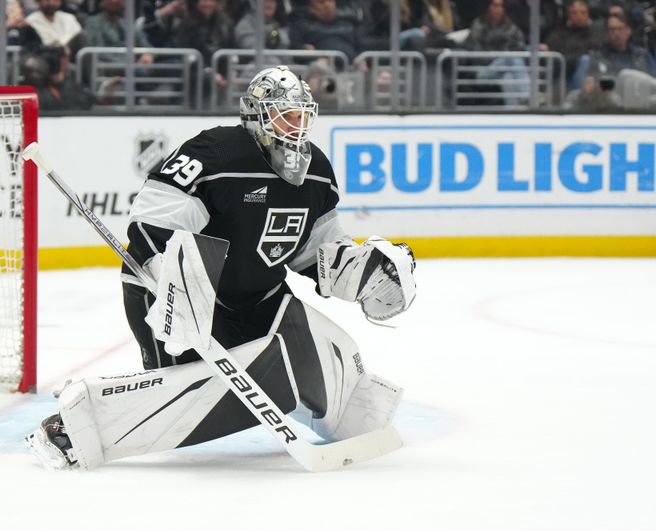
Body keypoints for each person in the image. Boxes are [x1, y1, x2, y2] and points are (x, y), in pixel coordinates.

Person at [25, 65, 416, 470]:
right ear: (256, 114)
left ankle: (351, 409)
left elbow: (315, 251)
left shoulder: (316, 171)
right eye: (286, 114)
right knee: (193, 391)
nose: (296, 125)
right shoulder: (215, 153)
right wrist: (176, 286)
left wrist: (358, 273)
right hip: (170, 295)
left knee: (309, 347)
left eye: (302, 115)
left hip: (256, 298)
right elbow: (153, 227)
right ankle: (73, 424)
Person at [464, 0, 530, 106]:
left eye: (501, 6)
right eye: (495, 5)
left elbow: (520, 48)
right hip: (483, 71)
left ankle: (515, 114)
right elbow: (475, 53)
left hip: (506, 69)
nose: (498, 9)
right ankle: (529, 96)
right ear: (489, 7)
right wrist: (500, 59)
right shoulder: (479, 25)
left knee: (507, 78)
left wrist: (503, 62)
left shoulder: (510, 27)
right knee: (510, 58)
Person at [542, 0, 604, 90]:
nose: (579, 16)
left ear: (588, 14)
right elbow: (553, 56)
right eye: (574, 13)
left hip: (586, 74)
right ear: (568, 15)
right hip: (561, 74)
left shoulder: (595, 33)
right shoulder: (558, 33)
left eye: (582, 12)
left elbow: (591, 52)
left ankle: (580, 95)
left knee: (585, 60)